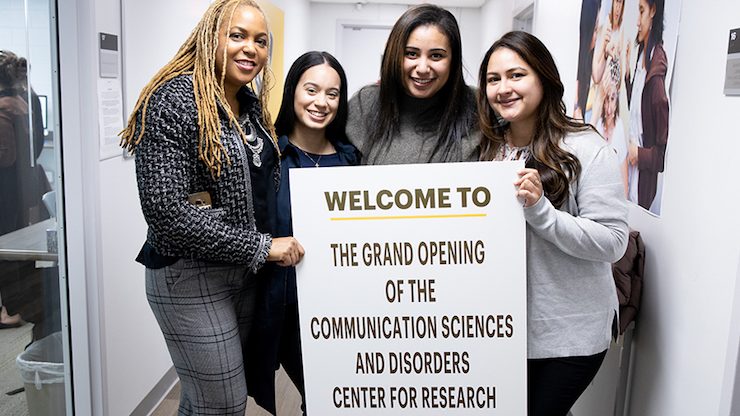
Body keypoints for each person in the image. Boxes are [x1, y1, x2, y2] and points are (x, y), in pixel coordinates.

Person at [119, 1, 304, 414]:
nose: (250, 49)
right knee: (224, 404)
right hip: (188, 277)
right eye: (237, 35)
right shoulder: (173, 101)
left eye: (260, 40)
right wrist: (261, 247)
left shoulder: (250, 107)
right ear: (209, 38)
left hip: (241, 276)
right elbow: (167, 214)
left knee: (203, 401)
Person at [477, 31, 628, 415]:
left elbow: (612, 241)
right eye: (493, 79)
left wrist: (542, 210)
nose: (503, 88)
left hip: (569, 335)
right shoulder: (489, 147)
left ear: (543, 79)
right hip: (505, 330)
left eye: (516, 75)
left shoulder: (585, 147)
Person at [246, 50, 359, 415]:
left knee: (342, 399)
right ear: (293, 90)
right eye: (311, 90)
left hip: (346, 309)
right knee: (326, 395)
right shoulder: (267, 156)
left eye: (332, 93)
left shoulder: (353, 159)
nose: (321, 102)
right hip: (287, 310)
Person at [346, 4, 479, 164]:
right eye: (411, 54)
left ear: (453, 60)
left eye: (436, 56)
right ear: (394, 55)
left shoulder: (477, 104)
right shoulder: (366, 103)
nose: (422, 68)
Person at [624, 0, 668, 210]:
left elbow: (661, 157)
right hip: (630, 174)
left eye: (641, 11)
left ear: (653, 11)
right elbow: (638, 108)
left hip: (642, 186)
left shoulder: (656, 74)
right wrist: (626, 76)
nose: (637, 22)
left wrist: (638, 155)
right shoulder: (642, 58)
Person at [590, 0, 626, 123]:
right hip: (601, 90)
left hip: (611, 92)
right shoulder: (605, 26)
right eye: (616, 2)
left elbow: (620, 76)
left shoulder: (621, 32)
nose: (618, 7)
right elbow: (596, 71)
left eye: (621, 3)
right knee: (593, 123)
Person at [594, 81, 629, 196]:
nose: (609, 108)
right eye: (606, 100)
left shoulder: (619, 130)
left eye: (612, 99)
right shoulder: (597, 125)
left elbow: (624, 184)